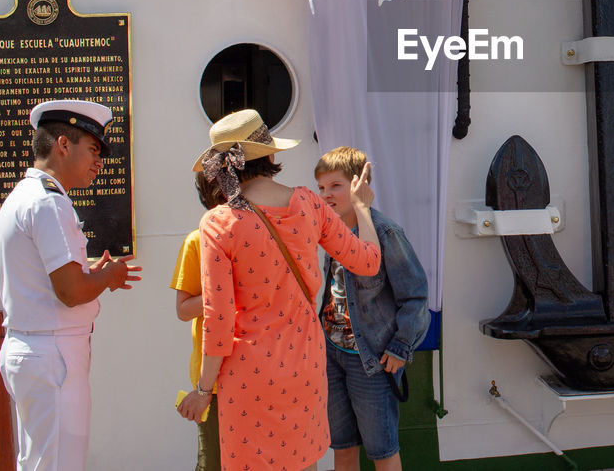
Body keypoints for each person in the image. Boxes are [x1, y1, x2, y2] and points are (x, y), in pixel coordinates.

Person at [175, 110, 380, 471]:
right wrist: (362, 208)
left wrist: (203, 391)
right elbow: (368, 262)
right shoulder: (308, 203)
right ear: (269, 156)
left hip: (249, 376)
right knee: (302, 463)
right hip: (305, 366)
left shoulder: (218, 223)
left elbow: (219, 322)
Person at [0, 99, 142, 471]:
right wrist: (108, 277)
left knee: (41, 462)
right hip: (52, 354)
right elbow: (72, 291)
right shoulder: (48, 203)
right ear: (63, 144)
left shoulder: (25, 197)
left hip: (37, 350)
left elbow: (57, 280)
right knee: (59, 464)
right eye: (93, 149)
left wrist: (89, 273)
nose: (99, 162)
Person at [315, 147, 430, 471]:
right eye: (321, 188)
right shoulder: (331, 232)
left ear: (358, 184)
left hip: (371, 360)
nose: (326, 195)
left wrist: (401, 346)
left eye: (335, 186)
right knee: (343, 447)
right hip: (332, 356)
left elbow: (416, 295)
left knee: (382, 451)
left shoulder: (385, 232)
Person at [170, 173, 226, 471]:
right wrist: (221, 291)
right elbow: (183, 308)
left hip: (255, 376)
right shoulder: (196, 240)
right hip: (213, 383)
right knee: (213, 463)